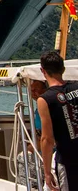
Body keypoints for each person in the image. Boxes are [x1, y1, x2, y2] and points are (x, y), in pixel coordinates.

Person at [38, 51, 78, 191]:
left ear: (43, 71)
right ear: (63, 69)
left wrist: (47, 173)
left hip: (67, 161)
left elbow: (47, 140)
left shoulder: (45, 100)